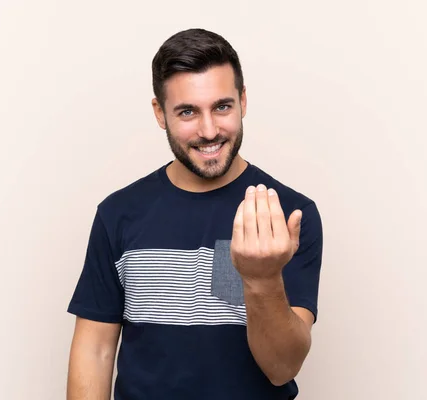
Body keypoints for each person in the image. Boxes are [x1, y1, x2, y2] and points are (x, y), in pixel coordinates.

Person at [66, 28, 324, 400]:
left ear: (243, 101)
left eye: (222, 107)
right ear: (160, 113)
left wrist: (261, 279)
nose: (209, 130)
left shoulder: (287, 215)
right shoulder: (118, 214)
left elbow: (281, 367)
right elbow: (95, 349)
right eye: (187, 111)